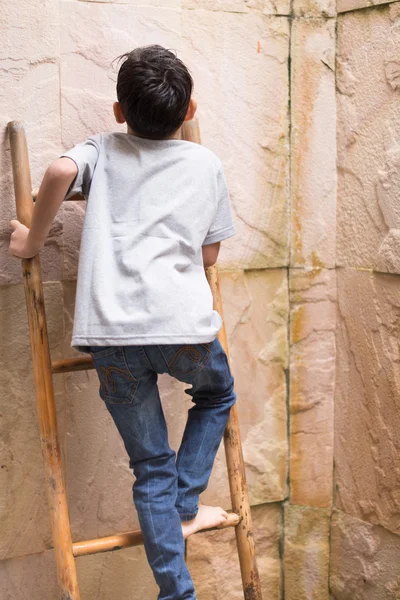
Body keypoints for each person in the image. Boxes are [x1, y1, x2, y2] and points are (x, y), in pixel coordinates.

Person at [9, 45, 236, 600]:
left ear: (117, 112)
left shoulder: (103, 150)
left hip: (113, 338)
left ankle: (177, 591)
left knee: (150, 467)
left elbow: (62, 169)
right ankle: (185, 506)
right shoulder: (205, 164)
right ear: (190, 111)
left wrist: (31, 240)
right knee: (217, 396)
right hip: (185, 331)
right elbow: (208, 259)